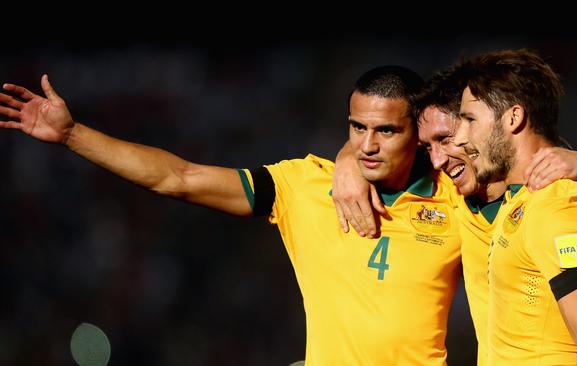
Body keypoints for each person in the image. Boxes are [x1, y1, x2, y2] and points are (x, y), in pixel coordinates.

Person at [0, 66, 465, 365]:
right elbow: (178, 178)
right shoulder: (303, 186)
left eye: (386, 130)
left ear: (418, 132)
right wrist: (73, 135)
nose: (367, 145)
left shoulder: (457, 199)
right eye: (357, 129)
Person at [333, 57, 577, 366]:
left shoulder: (554, 200)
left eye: (453, 134)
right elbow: (378, 130)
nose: (438, 160)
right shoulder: (455, 198)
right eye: (427, 147)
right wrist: (348, 160)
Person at [452, 49, 577, 365]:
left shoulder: (560, 206)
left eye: (470, 120)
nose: (460, 138)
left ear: (513, 117)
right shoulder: (522, 199)